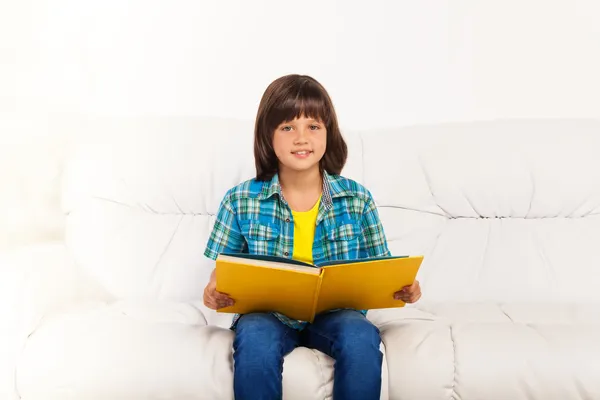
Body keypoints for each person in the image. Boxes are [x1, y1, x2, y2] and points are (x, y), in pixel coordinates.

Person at [203, 74, 421, 400]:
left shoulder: (357, 198)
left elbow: (382, 266)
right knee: (256, 339)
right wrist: (213, 291)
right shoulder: (240, 199)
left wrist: (405, 287)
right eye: (288, 127)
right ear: (268, 135)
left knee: (360, 337)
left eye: (313, 127)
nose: (301, 138)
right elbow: (222, 271)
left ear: (328, 134)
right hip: (268, 315)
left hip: (338, 314)